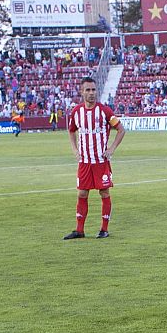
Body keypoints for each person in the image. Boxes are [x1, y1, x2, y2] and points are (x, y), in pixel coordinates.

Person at [63, 78, 123, 241]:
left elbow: (121, 129)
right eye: (88, 90)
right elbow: (71, 131)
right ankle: (79, 230)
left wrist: (111, 149)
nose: (91, 93)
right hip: (84, 162)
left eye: (93, 90)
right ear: (82, 92)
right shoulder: (76, 112)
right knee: (82, 193)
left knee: (104, 192)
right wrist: (74, 149)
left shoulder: (105, 111)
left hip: (100, 162)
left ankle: (104, 229)